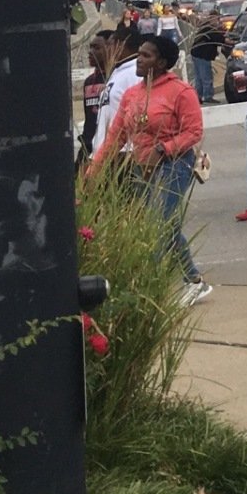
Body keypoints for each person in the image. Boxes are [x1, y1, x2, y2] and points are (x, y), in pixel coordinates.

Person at [90, 33, 211, 305]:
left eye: (147, 56)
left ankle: (148, 288)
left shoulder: (181, 91)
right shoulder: (133, 94)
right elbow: (115, 137)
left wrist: (164, 149)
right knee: (158, 225)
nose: (139, 59)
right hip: (141, 167)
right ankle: (194, 281)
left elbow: (194, 131)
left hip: (175, 165)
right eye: (140, 54)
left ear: (162, 62)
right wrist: (93, 171)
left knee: (159, 225)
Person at [94, 25, 144, 159]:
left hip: (123, 153)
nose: (106, 50)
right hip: (105, 152)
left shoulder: (136, 72)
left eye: (109, 45)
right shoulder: (118, 71)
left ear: (121, 46)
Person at [79, 31, 111, 169]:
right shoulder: (89, 81)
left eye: (97, 48)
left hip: (110, 147)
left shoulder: (116, 78)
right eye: (90, 47)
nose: (90, 52)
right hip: (88, 146)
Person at [187, 7, 224, 105]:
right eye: (216, 19)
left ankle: (198, 96)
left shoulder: (205, 27)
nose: (217, 21)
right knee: (206, 77)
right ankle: (208, 96)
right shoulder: (210, 29)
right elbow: (220, 39)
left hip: (196, 53)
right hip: (202, 55)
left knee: (199, 77)